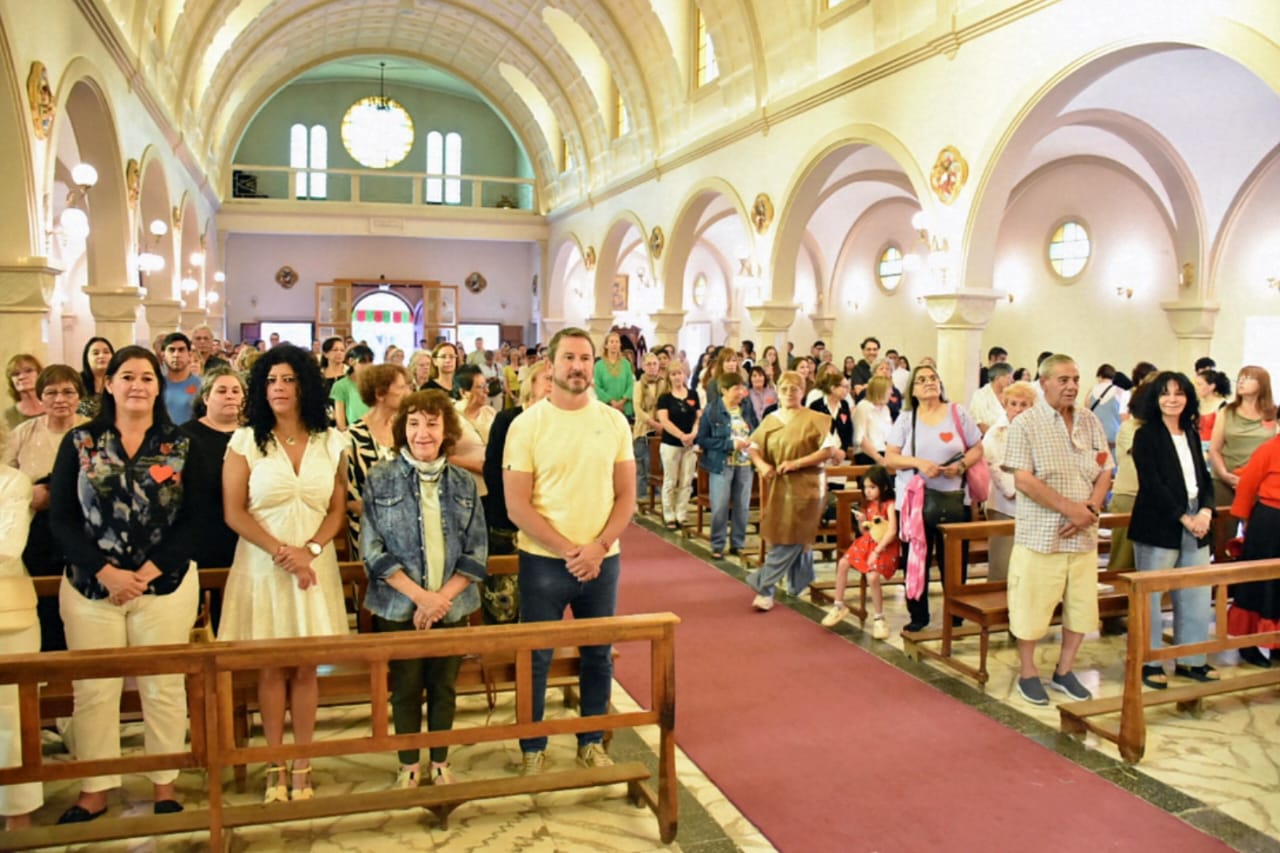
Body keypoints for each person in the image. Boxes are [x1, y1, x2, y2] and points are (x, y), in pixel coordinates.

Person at [49, 345, 203, 822]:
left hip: (165, 584)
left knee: (162, 685)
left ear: (159, 388)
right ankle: (95, 787)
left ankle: (164, 782)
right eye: (127, 376)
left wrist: (149, 571)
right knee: (95, 690)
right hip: (91, 585)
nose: (138, 385)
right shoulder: (79, 442)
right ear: (109, 384)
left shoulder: (180, 444)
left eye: (147, 378)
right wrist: (105, 571)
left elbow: (198, 518)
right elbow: (60, 517)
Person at [219, 344, 350, 804]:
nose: (280, 388)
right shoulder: (245, 441)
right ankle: (274, 765)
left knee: (307, 666)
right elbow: (233, 511)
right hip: (263, 565)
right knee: (273, 667)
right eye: (272, 380)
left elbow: (337, 508)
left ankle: (302, 765)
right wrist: (281, 551)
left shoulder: (331, 440)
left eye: (289, 380)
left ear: (305, 385)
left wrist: (310, 550)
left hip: (314, 565)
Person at [503, 327, 635, 774]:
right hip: (543, 560)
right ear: (550, 364)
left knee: (597, 654)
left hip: (602, 559)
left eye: (585, 358)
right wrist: (568, 550)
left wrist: (597, 548)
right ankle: (532, 747)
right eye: (569, 358)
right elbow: (516, 504)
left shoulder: (614, 422)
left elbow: (626, 497)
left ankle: (591, 741)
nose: (578, 366)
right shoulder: (527, 424)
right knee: (536, 656)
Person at [361, 390, 488, 789]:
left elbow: (477, 549)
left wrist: (441, 599)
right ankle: (409, 764)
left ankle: (440, 759)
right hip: (399, 606)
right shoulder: (380, 479)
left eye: (432, 424)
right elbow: (371, 548)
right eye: (414, 423)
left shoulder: (464, 483)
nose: (423, 433)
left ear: (446, 430)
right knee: (406, 687)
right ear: (403, 429)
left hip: (450, 605)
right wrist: (420, 598)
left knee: (444, 687)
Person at [1002, 354, 1112, 706]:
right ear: (1044, 382)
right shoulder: (1026, 424)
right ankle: (1029, 672)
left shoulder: (1089, 421)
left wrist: (1091, 508)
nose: (1072, 386)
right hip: (1042, 534)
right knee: (1031, 607)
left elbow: (1105, 468)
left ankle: (1065, 670)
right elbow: (1023, 479)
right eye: (1063, 380)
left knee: (1081, 608)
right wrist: (1070, 509)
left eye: (1076, 379)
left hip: (1082, 535)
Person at [1128, 371, 1218, 688]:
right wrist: (1184, 517)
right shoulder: (1146, 435)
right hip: (1160, 523)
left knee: (1195, 594)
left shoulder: (1190, 432)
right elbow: (1153, 484)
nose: (1172, 399)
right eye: (1165, 393)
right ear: (1156, 398)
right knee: (1151, 599)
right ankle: (1149, 662)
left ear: (1187, 398)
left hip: (1197, 520)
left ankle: (1192, 660)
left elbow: (1204, 479)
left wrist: (1206, 510)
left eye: (1178, 393)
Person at [884, 364, 984, 632]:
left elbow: (977, 447)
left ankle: (956, 612)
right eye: (922, 380)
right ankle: (918, 614)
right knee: (916, 558)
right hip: (916, 502)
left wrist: (961, 466)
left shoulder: (957, 413)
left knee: (954, 559)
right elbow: (890, 458)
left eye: (933, 378)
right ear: (913, 390)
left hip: (953, 498)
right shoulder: (907, 418)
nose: (929, 383)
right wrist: (918, 462)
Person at [744, 370, 843, 611]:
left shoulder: (815, 418)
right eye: (785, 388)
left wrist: (797, 463)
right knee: (787, 535)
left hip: (808, 485)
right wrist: (762, 464)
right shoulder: (771, 419)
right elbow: (753, 447)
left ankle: (763, 584)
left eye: (795, 389)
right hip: (780, 485)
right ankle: (799, 583)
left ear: (803, 391)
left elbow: (829, 450)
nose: (789, 393)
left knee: (795, 535)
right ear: (777, 390)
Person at [6, 364, 86, 651]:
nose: (60, 399)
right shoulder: (23, 433)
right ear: (40, 398)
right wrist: (29, 495)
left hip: (81, 526)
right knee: (44, 598)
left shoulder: (91, 431)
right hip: (37, 528)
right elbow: (4, 484)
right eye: (51, 392)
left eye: (68, 391)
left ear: (79, 396)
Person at [179, 367, 245, 637]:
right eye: (221, 390)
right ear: (206, 397)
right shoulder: (185, 436)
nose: (230, 396)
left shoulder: (253, 435)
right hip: (201, 533)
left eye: (235, 391)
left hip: (244, 534)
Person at [0, 439, 38, 831]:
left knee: (10, 715)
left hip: (6, 609)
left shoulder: (12, 482)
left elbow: (8, 545)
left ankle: (17, 812)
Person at [821, 466, 899, 637]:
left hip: (885, 546)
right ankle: (839, 605)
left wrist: (876, 552)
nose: (868, 491)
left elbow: (892, 531)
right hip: (867, 543)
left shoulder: (890, 505)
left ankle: (879, 618)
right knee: (843, 563)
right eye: (865, 487)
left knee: (872, 576)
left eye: (872, 487)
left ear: (884, 487)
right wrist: (862, 522)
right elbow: (867, 533)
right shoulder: (869, 505)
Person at [345, 365, 412, 558]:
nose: (408, 392)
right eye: (401, 387)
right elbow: (350, 499)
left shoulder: (404, 430)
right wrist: (389, 524)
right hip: (370, 532)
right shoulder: (352, 438)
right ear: (380, 394)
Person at [1227, 431, 1280, 668]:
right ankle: (1248, 643)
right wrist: (1244, 523)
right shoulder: (1268, 448)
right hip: (1269, 524)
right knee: (1258, 584)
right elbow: (1247, 484)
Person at [698, 371, 759, 559]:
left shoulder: (746, 407)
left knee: (742, 505)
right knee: (720, 505)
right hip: (722, 462)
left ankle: (737, 543)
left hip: (744, 462)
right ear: (724, 390)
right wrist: (730, 444)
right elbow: (703, 439)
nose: (740, 392)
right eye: (736, 389)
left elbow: (756, 429)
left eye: (742, 388)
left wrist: (753, 441)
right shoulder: (712, 410)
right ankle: (717, 544)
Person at [981, 381, 1037, 581]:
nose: (1018, 409)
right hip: (1004, 503)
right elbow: (992, 464)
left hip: (1032, 504)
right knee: (1002, 562)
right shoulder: (997, 431)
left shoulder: (1037, 430)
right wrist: (1013, 489)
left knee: (1026, 566)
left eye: (1024, 404)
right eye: (1013, 404)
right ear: (1005, 405)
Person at [1208, 366, 1276, 508]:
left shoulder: (1274, 414)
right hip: (1225, 478)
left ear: (1262, 384)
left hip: (1261, 482)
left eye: (1248, 378)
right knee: (1223, 526)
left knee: (1257, 527)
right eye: (1240, 378)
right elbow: (1214, 449)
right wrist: (1225, 475)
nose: (1241, 382)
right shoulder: (1227, 411)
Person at [655, 362, 702, 534]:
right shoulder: (665, 397)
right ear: (669, 376)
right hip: (671, 444)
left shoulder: (693, 394)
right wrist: (681, 435)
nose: (677, 377)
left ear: (685, 375)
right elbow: (664, 421)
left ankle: (681, 513)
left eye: (679, 373)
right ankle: (669, 514)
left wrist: (693, 433)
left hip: (690, 444)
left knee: (686, 480)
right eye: (673, 374)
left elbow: (698, 416)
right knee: (670, 480)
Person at [451, 364, 494, 496]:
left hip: (491, 488)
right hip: (464, 490)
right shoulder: (450, 417)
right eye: (481, 387)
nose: (487, 391)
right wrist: (478, 466)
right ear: (464, 392)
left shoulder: (490, 412)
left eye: (486, 385)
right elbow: (443, 456)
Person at [632, 352, 667, 504]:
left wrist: (662, 423)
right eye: (649, 364)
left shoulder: (664, 384)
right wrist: (652, 422)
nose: (652, 367)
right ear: (643, 366)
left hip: (660, 429)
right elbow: (637, 408)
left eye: (654, 364)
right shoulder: (639, 385)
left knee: (657, 465)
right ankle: (641, 496)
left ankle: (657, 496)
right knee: (642, 465)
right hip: (643, 429)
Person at [808, 371, 854, 457]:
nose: (847, 390)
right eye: (844, 387)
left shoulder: (844, 405)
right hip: (821, 453)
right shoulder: (816, 405)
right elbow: (814, 432)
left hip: (841, 452)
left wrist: (843, 450)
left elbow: (848, 429)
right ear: (833, 388)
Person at [330, 344, 374, 430]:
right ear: (351, 361)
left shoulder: (375, 383)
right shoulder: (341, 386)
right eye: (363, 362)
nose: (368, 365)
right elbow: (341, 424)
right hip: (354, 434)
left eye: (370, 361)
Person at [852, 375, 893, 467]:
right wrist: (878, 458)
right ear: (880, 390)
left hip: (885, 453)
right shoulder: (863, 407)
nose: (891, 392)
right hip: (868, 455)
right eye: (889, 389)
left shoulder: (886, 409)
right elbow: (860, 437)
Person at [593, 331, 634, 422]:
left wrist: (621, 402)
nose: (614, 344)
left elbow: (631, 384)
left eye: (617, 342)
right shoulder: (599, 365)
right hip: (606, 408)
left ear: (620, 345)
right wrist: (612, 402)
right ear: (606, 345)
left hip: (624, 408)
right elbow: (597, 386)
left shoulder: (626, 364)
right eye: (611, 342)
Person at [161, 332, 201, 424]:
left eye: (181, 350)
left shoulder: (202, 385)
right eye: (171, 350)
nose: (176, 355)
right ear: (163, 356)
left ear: (189, 355)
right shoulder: (156, 385)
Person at [969, 362, 1012, 435]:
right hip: (989, 438)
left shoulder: (1011, 394)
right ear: (997, 378)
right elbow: (978, 423)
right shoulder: (980, 395)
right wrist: (996, 437)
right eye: (1008, 377)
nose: (1011, 381)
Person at [77, 337, 113, 419]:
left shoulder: (119, 382)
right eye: (96, 353)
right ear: (87, 358)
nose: (101, 356)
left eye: (106, 352)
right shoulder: (77, 382)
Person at [4, 354, 43, 429]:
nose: (22, 377)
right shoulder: (7, 417)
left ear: (39, 374)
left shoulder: (54, 407)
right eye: (16, 374)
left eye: (28, 371)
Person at [1194, 369, 1230, 450]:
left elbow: (1225, 436)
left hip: (1214, 449)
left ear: (1211, 386)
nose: (1196, 388)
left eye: (1199, 384)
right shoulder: (1196, 404)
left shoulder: (1223, 406)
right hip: (1196, 445)